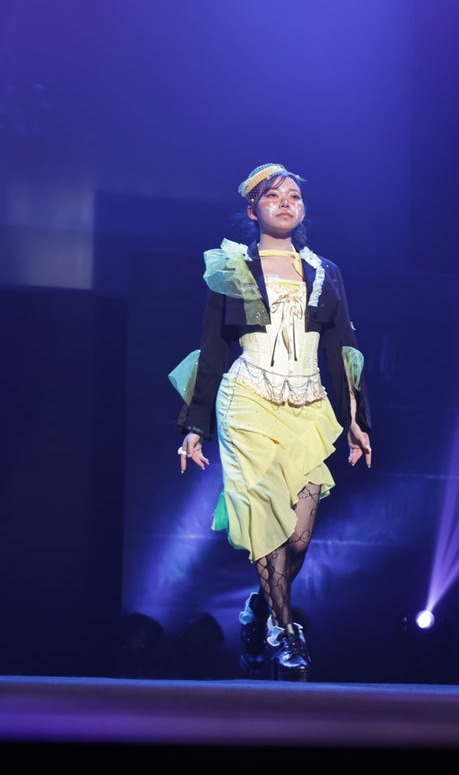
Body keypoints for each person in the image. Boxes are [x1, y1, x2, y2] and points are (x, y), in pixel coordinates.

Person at [169, 162, 372, 682]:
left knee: (298, 538)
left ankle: (258, 609)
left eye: (294, 196)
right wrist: (195, 425)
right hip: (247, 400)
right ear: (252, 209)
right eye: (273, 196)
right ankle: (286, 633)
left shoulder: (324, 270)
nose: (285, 203)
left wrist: (356, 419)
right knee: (265, 520)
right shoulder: (234, 265)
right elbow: (213, 347)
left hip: (307, 402)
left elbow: (343, 347)